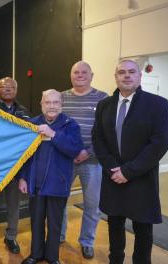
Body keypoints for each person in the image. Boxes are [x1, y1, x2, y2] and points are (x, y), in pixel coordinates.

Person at [92, 59, 168, 263]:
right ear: (116, 77)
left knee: (143, 231)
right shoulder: (104, 105)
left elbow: (159, 143)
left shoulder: (157, 104)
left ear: (139, 76)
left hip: (141, 178)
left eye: (131, 72)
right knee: (114, 227)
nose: (126, 75)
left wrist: (128, 171)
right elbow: (97, 139)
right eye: (121, 72)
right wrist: (113, 169)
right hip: (113, 177)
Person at [19, 89, 83, 264]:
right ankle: (35, 254)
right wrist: (23, 177)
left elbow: (74, 149)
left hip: (58, 184)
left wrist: (53, 134)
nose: (52, 106)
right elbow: (24, 156)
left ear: (61, 105)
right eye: (48, 102)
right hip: (36, 184)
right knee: (36, 221)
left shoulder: (71, 124)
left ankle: (52, 257)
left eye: (55, 102)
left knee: (55, 224)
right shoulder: (32, 124)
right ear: (41, 104)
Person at [60, 61, 107, 259]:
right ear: (71, 75)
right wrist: (71, 152)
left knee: (92, 204)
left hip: (93, 161)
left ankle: (87, 241)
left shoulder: (103, 98)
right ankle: (58, 236)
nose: (80, 75)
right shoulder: (61, 97)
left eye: (84, 72)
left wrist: (88, 152)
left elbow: (107, 132)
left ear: (91, 75)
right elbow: (56, 128)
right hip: (64, 160)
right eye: (76, 72)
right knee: (59, 201)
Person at [0, 77, 30, 254]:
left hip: (15, 169)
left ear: (16, 90)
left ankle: (11, 237)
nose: (7, 89)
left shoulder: (23, 111)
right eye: (3, 86)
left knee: (13, 206)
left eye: (11, 86)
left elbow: (28, 140)